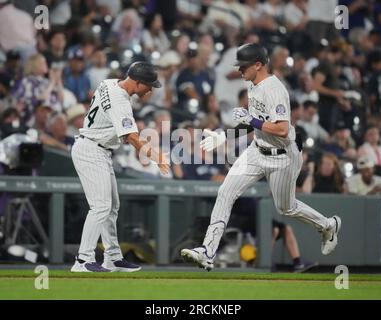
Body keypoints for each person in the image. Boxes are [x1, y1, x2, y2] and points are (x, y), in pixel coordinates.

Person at [181, 44, 341, 271]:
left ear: (258, 65)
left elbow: (282, 129)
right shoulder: (253, 85)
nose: (239, 70)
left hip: (283, 156)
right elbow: (253, 125)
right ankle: (207, 251)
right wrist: (224, 137)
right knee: (225, 192)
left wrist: (252, 121)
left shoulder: (274, 89)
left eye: (243, 66)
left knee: (286, 207)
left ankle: (327, 225)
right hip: (257, 150)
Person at [70, 61, 169, 272]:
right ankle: (83, 260)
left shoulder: (109, 83)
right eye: (149, 85)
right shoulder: (120, 101)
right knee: (101, 207)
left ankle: (113, 257)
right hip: (91, 149)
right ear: (138, 82)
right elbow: (132, 137)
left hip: (98, 147)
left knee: (111, 206)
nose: (151, 89)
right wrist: (156, 156)